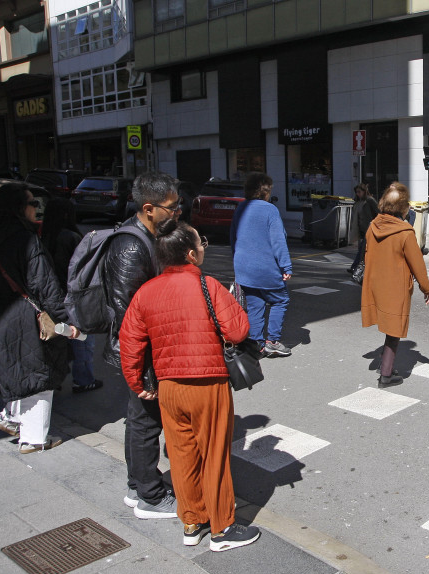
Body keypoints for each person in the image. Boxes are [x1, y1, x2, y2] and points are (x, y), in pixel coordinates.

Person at [119, 220, 260, 552]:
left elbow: (131, 342)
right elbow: (238, 332)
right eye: (202, 244)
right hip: (207, 382)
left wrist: (137, 382)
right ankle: (222, 528)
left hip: (169, 386)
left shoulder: (146, 292)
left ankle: (192, 521)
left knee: (182, 456)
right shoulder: (208, 286)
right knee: (214, 456)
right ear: (191, 254)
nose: (203, 249)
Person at [104, 171, 182, 519]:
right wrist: (144, 371)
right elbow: (127, 314)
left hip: (147, 351)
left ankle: (139, 485)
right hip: (141, 353)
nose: (177, 212)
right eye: (172, 207)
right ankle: (149, 496)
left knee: (139, 419)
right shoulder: (131, 245)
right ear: (149, 208)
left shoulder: (147, 238)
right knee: (145, 421)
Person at [0, 184, 74, 453]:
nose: (37, 207)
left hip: (1, 312)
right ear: (18, 208)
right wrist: (62, 319)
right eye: (32, 202)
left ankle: (13, 419)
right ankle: (34, 438)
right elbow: (43, 283)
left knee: (16, 369)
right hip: (28, 315)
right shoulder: (26, 238)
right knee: (41, 372)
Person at [361, 183, 429, 388]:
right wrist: (426, 288)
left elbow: (367, 255)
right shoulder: (405, 232)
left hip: (375, 284)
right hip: (396, 287)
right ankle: (386, 374)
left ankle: (386, 366)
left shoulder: (373, 226)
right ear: (403, 207)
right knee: (393, 331)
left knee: (389, 328)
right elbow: (417, 264)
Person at [40, 198, 103, 394]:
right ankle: (83, 379)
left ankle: (53, 379)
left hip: (51, 296)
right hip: (74, 297)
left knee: (54, 341)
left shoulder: (43, 237)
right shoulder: (71, 237)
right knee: (82, 339)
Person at [230, 172, 293, 358]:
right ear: (265, 192)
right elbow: (278, 241)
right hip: (265, 267)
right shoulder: (269, 210)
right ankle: (272, 341)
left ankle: (256, 343)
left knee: (255, 304)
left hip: (244, 267)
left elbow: (233, 238)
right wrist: (286, 266)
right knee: (280, 299)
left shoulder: (240, 208)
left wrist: (237, 261)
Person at [349, 183, 379, 274]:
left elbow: (378, 213)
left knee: (362, 250)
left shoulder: (370, 201)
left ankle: (355, 267)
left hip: (369, 229)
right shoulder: (358, 202)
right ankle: (360, 268)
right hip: (361, 229)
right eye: (356, 192)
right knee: (362, 250)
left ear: (364, 191)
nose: (358, 194)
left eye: (359, 192)